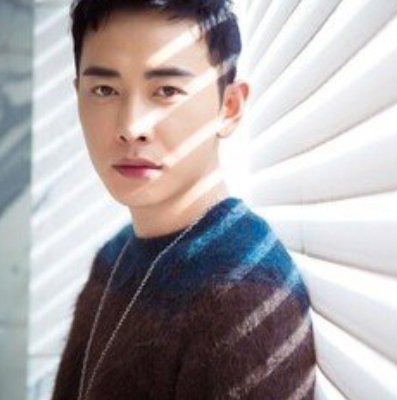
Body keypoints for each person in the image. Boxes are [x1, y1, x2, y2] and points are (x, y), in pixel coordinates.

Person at [51, 1, 316, 399]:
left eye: (167, 90)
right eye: (104, 90)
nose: (131, 127)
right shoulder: (114, 256)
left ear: (229, 107)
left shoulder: (242, 293)